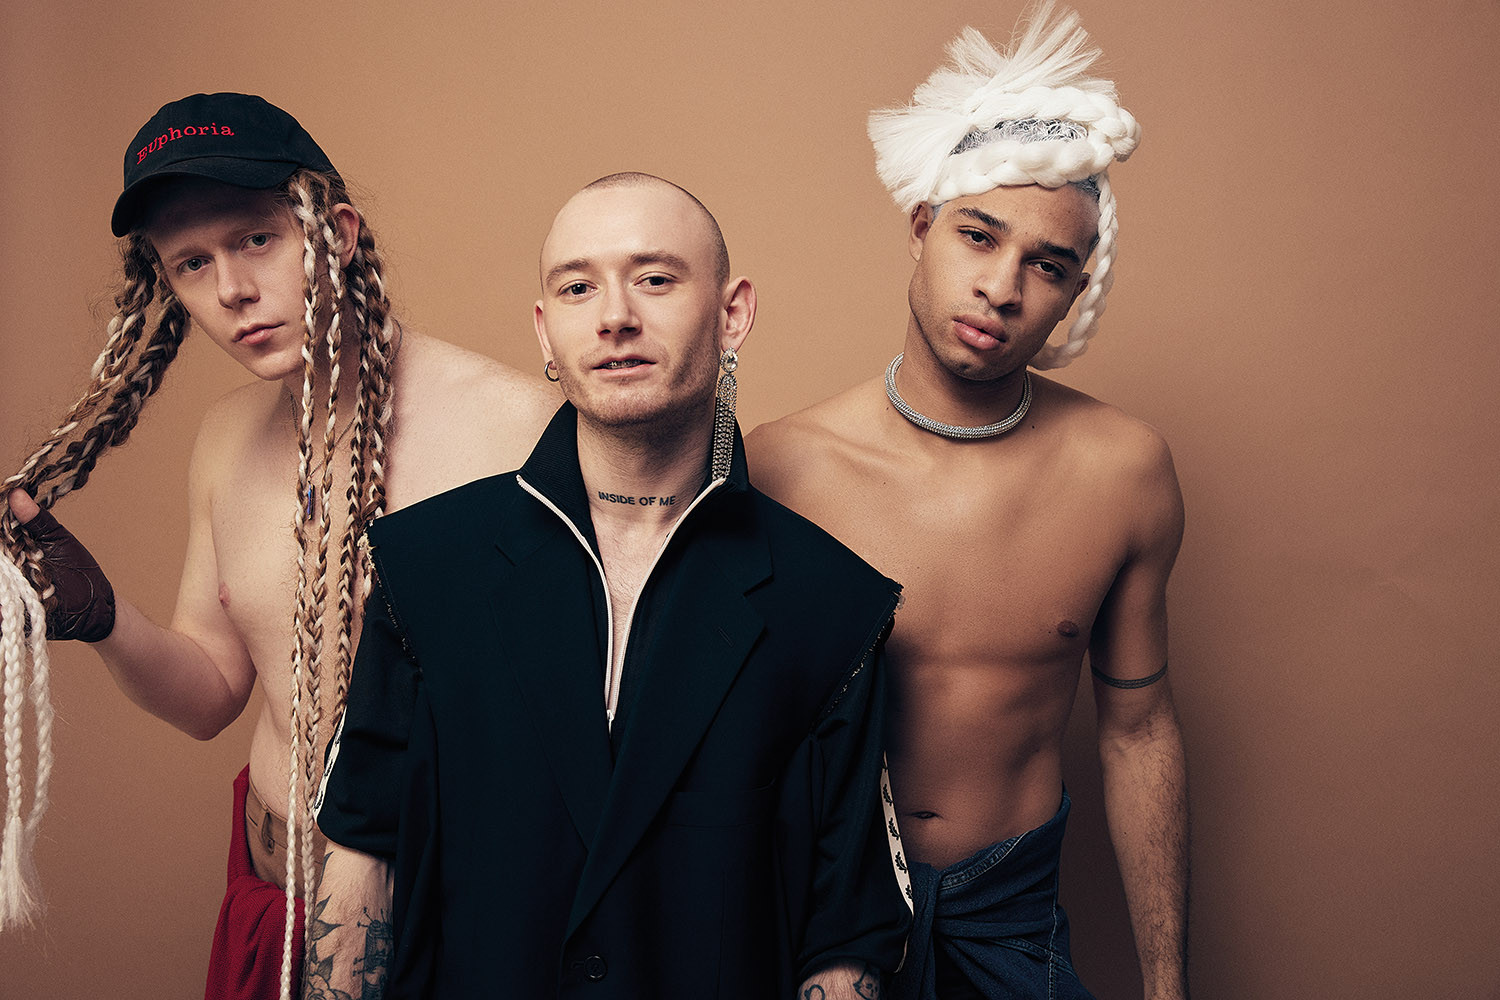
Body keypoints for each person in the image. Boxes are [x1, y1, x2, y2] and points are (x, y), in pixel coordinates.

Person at [0, 93, 555, 998]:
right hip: (270, 910)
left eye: (256, 239)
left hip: (456, 919)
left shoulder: (519, 430)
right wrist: (103, 619)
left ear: (337, 232)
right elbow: (211, 695)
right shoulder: (225, 437)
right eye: (191, 263)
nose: (230, 291)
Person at [310, 172, 910, 999]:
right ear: (545, 330)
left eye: (655, 279)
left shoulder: (834, 607)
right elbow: (362, 864)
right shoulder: (423, 567)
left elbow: (843, 939)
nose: (615, 315)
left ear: (732, 314)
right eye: (577, 287)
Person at [746, 6, 1188, 999]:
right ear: (921, 226)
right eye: (978, 236)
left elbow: (1138, 729)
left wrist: (1168, 986)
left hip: (1012, 921)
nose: (1000, 288)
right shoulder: (780, 467)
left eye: (1047, 266)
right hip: (820, 923)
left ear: (1073, 292)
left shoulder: (1124, 472)